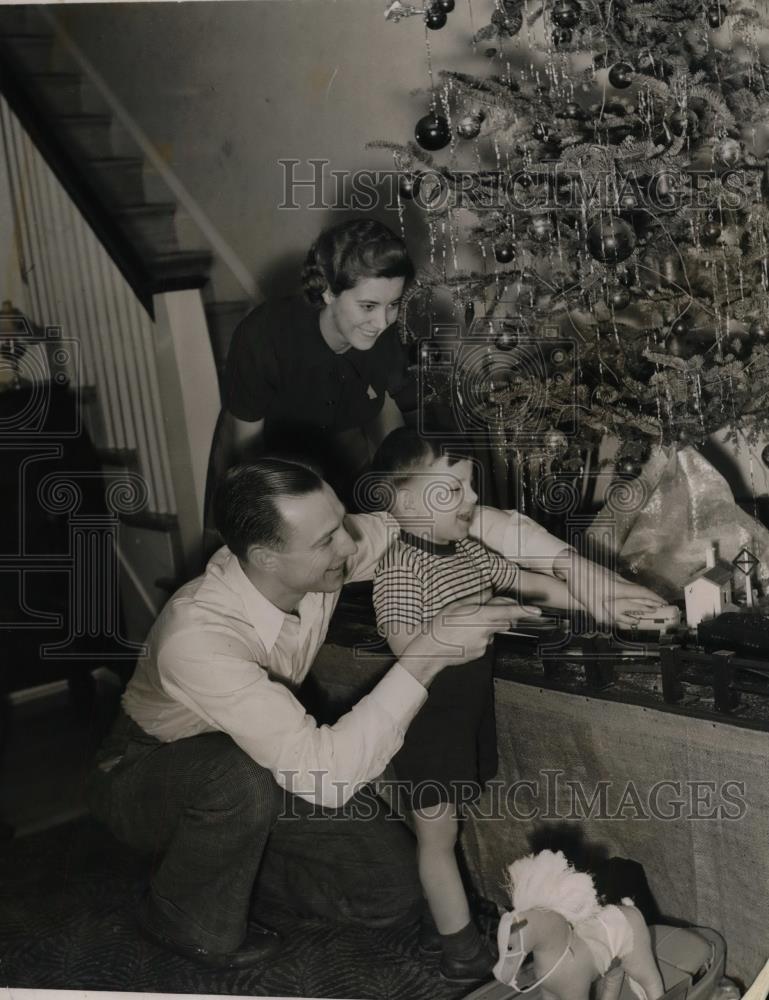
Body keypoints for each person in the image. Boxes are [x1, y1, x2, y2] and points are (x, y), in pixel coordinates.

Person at [87, 458, 665, 972]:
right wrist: (430, 652)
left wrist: (586, 576)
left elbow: (472, 520)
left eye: (343, 521)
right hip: (148, 770)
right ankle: (182, 917)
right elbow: (329, 775)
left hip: (264, 762)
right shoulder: (197, 638)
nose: (350, 544)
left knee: (392, 892)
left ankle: (236, 859)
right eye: (327, 540)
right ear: (265, 558)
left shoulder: (315, 552)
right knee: (234, 778)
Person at [370, 428, 554, 984]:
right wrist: (471, 618)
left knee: (447, 827)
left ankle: (442, 920)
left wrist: (600, 597)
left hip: (463, 716)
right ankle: (460, 951)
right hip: (426, 723)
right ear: (403, 502)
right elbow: (408, 650)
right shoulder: (401, 568)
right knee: (437, 837)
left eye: (471, 487)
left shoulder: (468, 552)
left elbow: (527, 582)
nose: (473, 500)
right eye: (452, 490)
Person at [218, 218, 417, 502]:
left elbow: (394, 428)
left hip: (345, 458)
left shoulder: (384, 337)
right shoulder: (264, 335)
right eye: (368, 306)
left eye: (393, 304)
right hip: (268, 466)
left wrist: (398, 490)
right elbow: (247, 453)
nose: (382, 322)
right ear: (328, 291)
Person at [493, 849, 664, 1000]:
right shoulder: (543, 964)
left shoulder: (566, 973)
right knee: (611, 976)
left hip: (621, 926)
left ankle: (657, 994)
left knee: (647, 976)